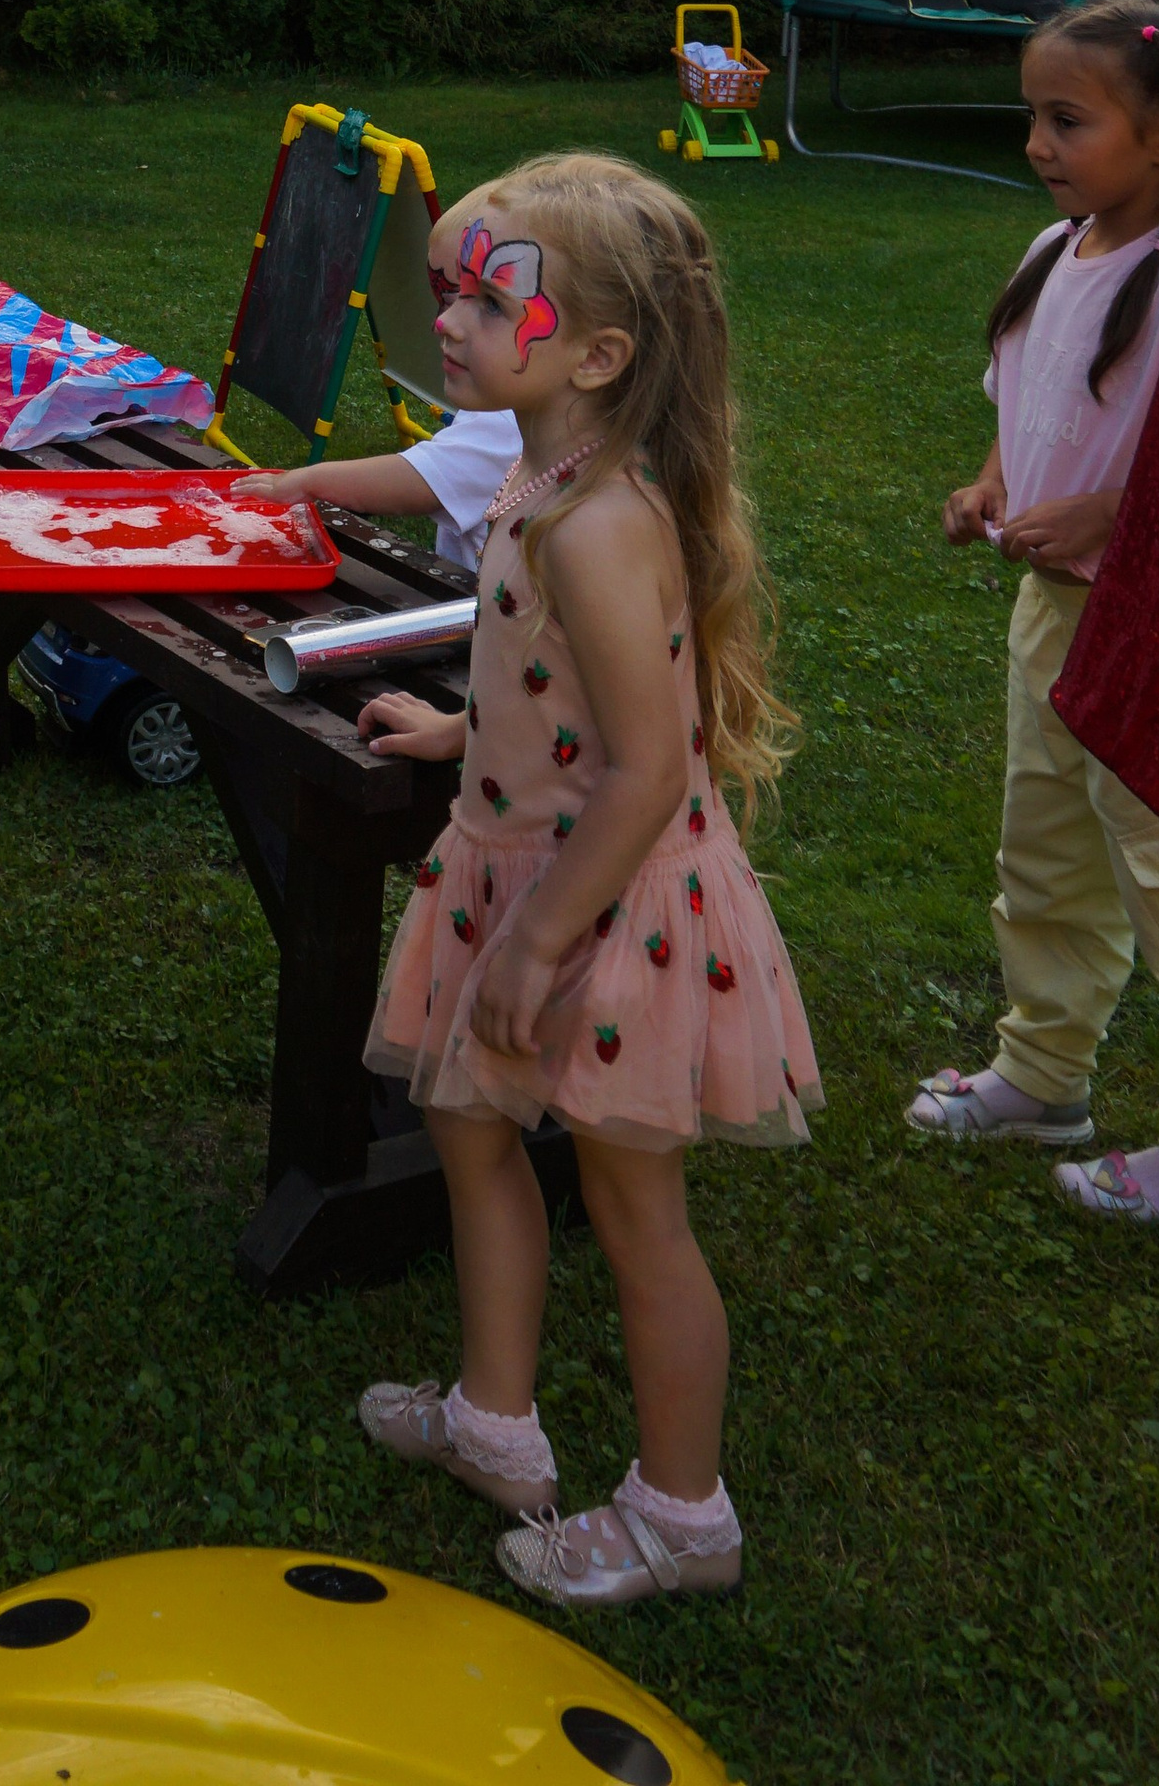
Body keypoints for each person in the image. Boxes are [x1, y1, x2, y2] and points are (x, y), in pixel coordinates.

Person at [348, 154, 817, 1609]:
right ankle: (497, 1425)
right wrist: (462, 729)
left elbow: (650, 769)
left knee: (631, 1207)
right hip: (526, 868)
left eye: (490, 301)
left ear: (599, 355)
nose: (451, 320)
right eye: (453, 292)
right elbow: (564, 690)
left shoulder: (602, 523)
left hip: (604, 907)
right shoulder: (540, 475)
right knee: (466, 1119)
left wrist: (537, 943)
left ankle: (684, 1516)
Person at [907, 0, 1159, 1225]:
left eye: (1067, 120)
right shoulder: (1048, 252)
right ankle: (1041, 1075)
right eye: (1031, 116)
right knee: (1045, 855)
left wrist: (1111, 516)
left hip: (1154, 637)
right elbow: (1022, 406)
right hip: (1052, 619)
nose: (1035, 144)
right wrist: (994, 485)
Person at [237, 196, 520, 577]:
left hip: (471, 601)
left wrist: (308, 481)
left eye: (489, 305)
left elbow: (418, 481)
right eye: (444, 303)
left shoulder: (506, 423)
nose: (443, 323)